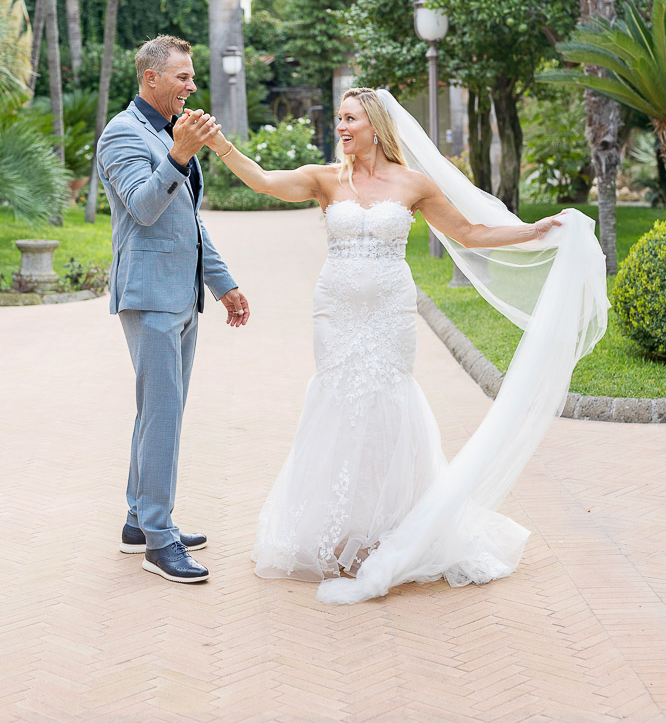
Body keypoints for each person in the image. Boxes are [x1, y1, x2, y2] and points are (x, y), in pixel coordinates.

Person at [202, 87, 606, 602]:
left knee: (389, 405)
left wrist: (531, 231)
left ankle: (391, 529)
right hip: (336, 312)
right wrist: (218, 143)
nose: (341, 127)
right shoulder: (325, 179)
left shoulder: (414, 183)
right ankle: (333, 533)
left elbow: (469, 232)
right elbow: (263, 181)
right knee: (337, 401)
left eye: (350, 119)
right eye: (341, 120)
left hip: (390, 312)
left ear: (376, 125)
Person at [97, 35, 250, 585]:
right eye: (182, 77)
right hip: (149, 297)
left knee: (160, 412)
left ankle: (140, 521)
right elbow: (141, 207)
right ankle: (160, 543)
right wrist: (179, 154)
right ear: (151, 79)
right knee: (162, 415)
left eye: (191, 77)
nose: (191, 86)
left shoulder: (164, 132)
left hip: (182, 295)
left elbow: (188, 219)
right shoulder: (122, 135)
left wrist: (223, 284)